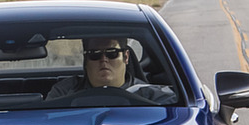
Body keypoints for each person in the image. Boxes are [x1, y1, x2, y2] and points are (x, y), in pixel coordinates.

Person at [45, 37, 177, 103]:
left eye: (112, 53)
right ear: (86, 59)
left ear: (125, 57)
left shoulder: (155, 98)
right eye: (95, 54)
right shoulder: (63, 93)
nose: (103, 60)